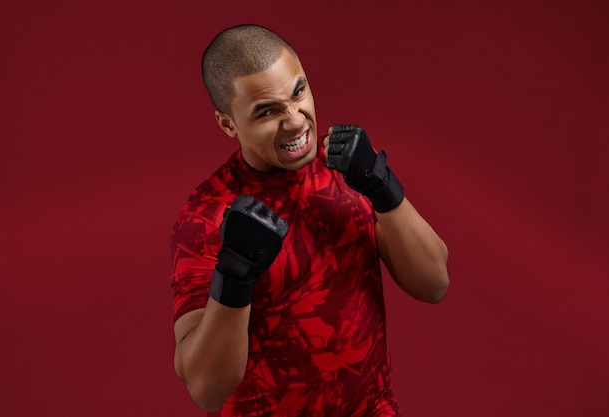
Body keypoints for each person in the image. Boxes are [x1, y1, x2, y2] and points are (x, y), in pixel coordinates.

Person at [169, 24, 449, 416]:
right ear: (228, 124)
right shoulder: (207, 215)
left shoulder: (347, 170)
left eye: (298, 92)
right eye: (267, 112)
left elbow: (434, 283)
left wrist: (383, 186)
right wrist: (236, 273)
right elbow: (206, 390)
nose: (295, 121)